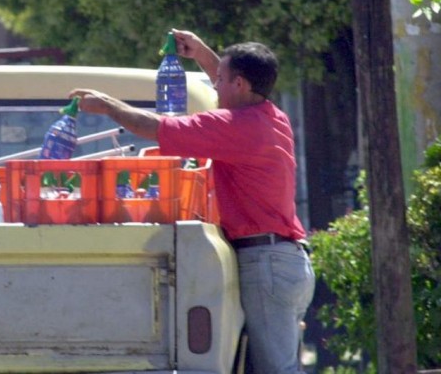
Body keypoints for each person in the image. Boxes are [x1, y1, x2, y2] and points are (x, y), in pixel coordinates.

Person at [69, 28, 315, 373]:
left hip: (266, 263)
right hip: (288, 261)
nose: (214, 85)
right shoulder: (271, 116)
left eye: (220, 79)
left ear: (240, 84)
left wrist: (109, 105)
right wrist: (201, 53)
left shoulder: (235, 127)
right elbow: (233, 84)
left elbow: (157, 128)